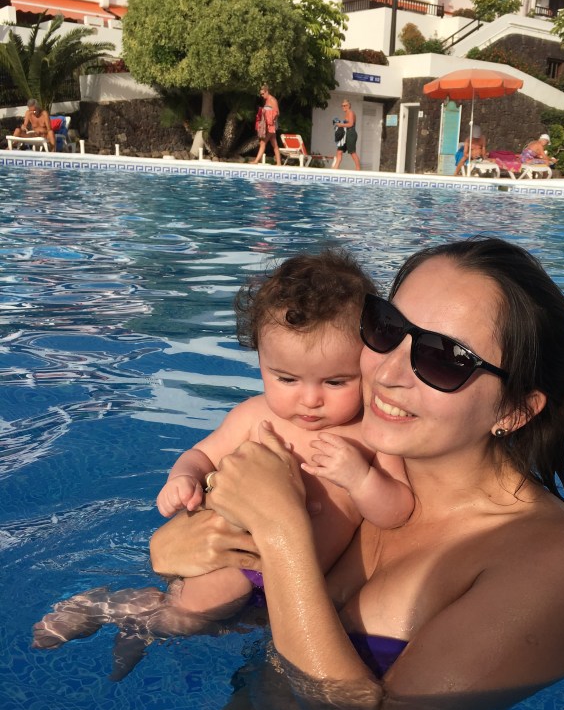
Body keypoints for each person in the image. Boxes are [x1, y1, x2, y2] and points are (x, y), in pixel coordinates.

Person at [151, 237, 564, 710]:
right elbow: (253, 601)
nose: (389, 371)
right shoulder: (356, 475)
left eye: (444, 358)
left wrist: (280, 530)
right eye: (387, 328)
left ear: (515, 408)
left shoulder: (552, 560)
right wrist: (177, 549)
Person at [32, 251, 414, 672]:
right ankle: (108, 607)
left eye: (336, 381)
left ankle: (137, 622)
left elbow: (397, 510)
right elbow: (200, 454)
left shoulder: (372, 434)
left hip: (292, 581)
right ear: (260, 362)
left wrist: (359, 478)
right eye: (286, 378)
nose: (310, 399)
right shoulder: (255, 416)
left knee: (221, 625)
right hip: (238, 560)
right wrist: (184, 478)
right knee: (192, 612)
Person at [251, 84, 282, 166]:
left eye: (263, 93)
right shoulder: (267, 101)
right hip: (268, 125)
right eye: (261, 94)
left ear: (267, 92)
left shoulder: (272, 100)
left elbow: (277, 112)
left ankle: (256, 161)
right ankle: (279, 163)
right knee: (274, 144)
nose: (261, 95)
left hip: (271, 125)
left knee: (263, 142)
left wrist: (271, 120)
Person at [332, 100, 361, 171]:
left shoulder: (350, 112)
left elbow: (350, 124)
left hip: (351, 133)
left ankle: (358, 170)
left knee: (352, 152)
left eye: (345, 105)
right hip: (345, 134)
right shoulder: (346, 113)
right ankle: (335, 169)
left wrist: (340, 124)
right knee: (339, 151)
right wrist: (339, 124)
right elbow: (346, 124)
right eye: (342, 106)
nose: (343, 107)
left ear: (349, 106)